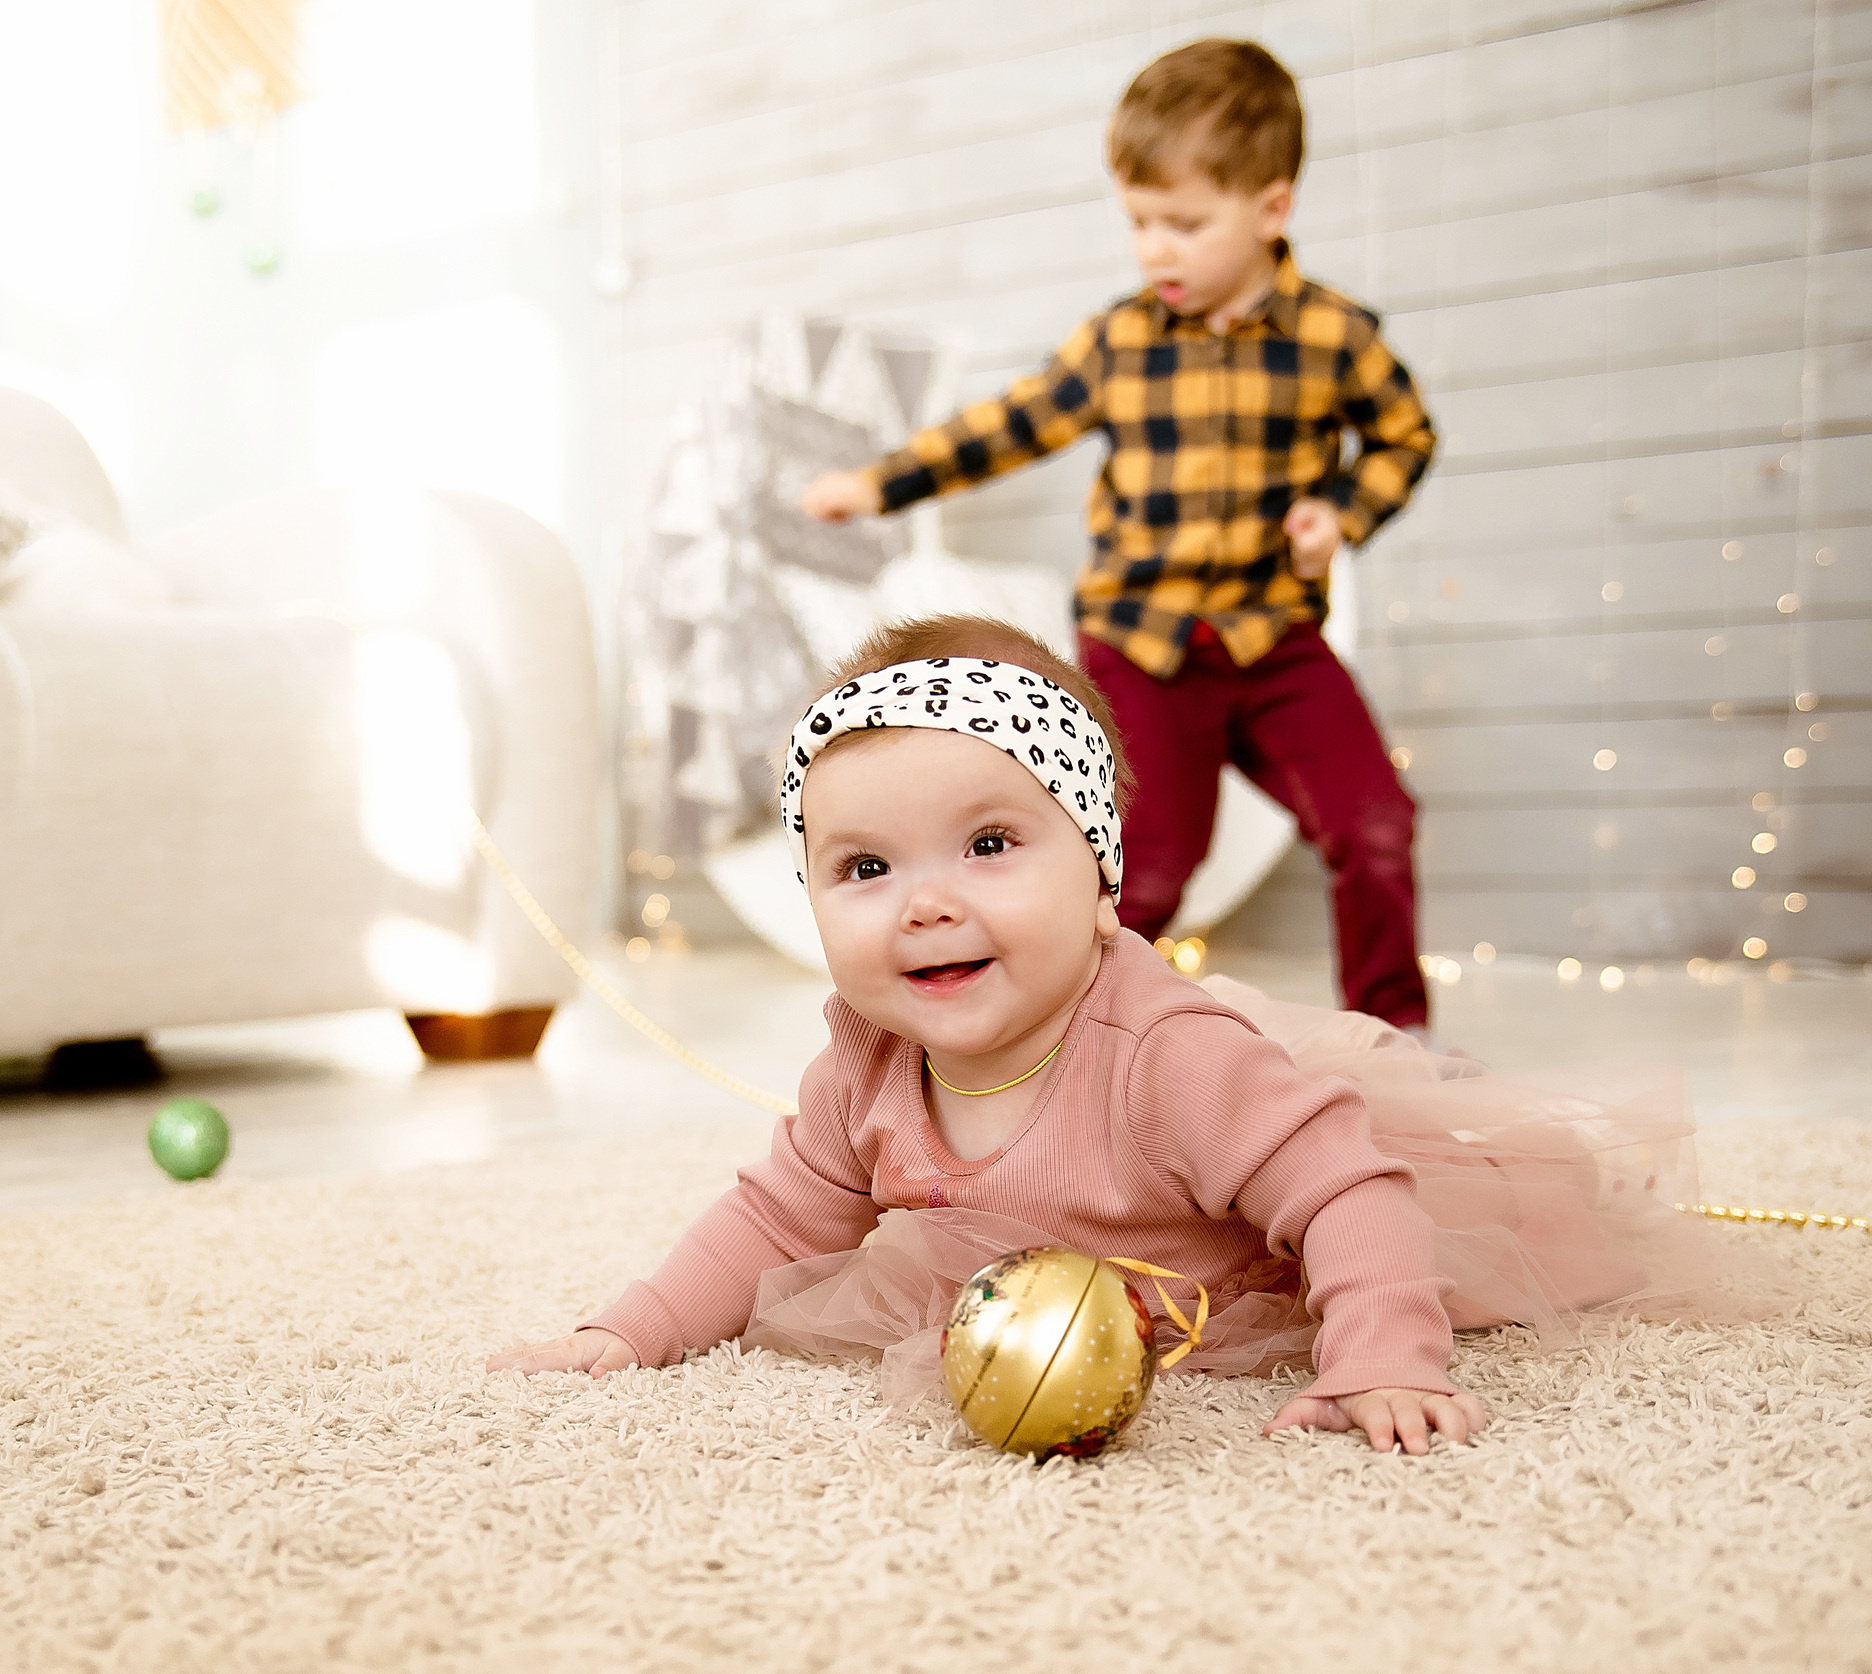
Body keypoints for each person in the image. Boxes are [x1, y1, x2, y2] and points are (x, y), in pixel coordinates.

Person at [489, 617, 1729, 1455]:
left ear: (1101, 877)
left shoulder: (1170, 1057)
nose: (927, 901)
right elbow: (772, 1221)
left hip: (1243, 1263)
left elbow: (1342, 1187)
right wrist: (629, 1331)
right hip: (1061, 1279)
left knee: (1515, 1228)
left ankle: (1564, 1183)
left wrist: (1383, 1355)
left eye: (987, 846)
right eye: (865, 866)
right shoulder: (865, 1066)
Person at [801, 40, 1438, 1035]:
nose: (1155, 250)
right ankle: (1080, 1046)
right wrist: (877, 483)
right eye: (1140, 222)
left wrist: (1344, 514)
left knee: (1376, 824)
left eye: (1184, 224)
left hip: (1273, 643)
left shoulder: (1334, 339)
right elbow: (1007, 426)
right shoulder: (1120, 344)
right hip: (1144, 652)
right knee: (1144, 876)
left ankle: (1398, 1038)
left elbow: (1405, 435)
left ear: (1271, 210)